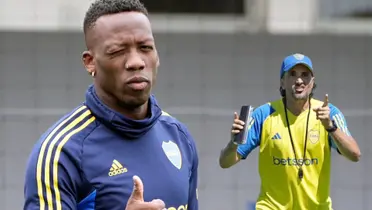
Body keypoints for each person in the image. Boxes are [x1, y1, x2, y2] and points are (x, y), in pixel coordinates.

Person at [23, 0, 199, 209]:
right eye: (117, 51)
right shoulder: (61, 153)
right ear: (90, 62)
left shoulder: (179, 137)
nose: (136, 61)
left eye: (145, 48)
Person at [219, 53, 361, 210]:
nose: (299, 80)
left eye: (305, 75)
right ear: (282, 82)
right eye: (292, 74)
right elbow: (225, 162)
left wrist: (330, 127)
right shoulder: (264, 114)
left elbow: (355, 154)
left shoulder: (328, 113)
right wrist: (233, 143)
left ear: (312, 82)